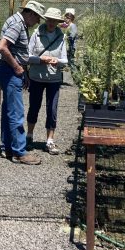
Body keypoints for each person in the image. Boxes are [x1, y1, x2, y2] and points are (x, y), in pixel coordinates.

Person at [0, 0, 45, 165]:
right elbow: (2, 47)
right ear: (30, 13)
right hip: (10, 71)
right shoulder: (18, 24)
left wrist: (23, 71)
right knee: (16, 111)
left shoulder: (17, 22)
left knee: (9, 109)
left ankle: (8, 147)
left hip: (9, 70)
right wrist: (17, 67)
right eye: (37, 18)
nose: (37, 22)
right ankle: (19, 152)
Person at [26, 8, 69, 155]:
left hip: (54, 79)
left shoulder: (61, 37)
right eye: (49, 20)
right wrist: (40, 59)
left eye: (54, 21)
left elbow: (65, 60)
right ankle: (29, 136)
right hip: (36, 77)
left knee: (52, 109)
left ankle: (50, 141)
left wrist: (57, 61)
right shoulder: (36, 34)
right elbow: (27, 56)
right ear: (46, 20)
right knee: (34, 107)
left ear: (58, 22)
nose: (51, 23)